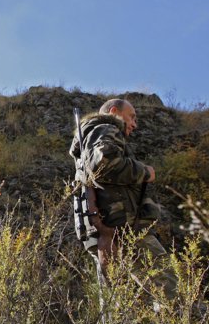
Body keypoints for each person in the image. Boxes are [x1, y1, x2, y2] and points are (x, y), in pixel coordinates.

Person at [70, 99, 175, 298]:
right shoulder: (107, 128)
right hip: (122, 227)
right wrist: (146, 172)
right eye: (132, 117)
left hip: (105, 228)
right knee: (169, 287)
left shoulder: (89, 138)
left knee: (120, 302)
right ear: (114, 111)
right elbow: (105, 165)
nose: (135, 124)